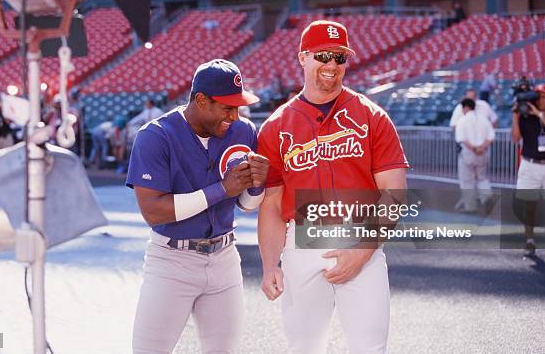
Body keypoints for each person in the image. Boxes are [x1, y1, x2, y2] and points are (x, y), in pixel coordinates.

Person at [256, 20, 409, 354]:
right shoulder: (275, 126)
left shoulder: (372, 116)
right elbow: (271, 203)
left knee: (370, 347)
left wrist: (362, 251)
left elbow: (394, 191)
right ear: (303, 57)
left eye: (340, 58)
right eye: (323, 56)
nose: (331, 66)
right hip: (303, 240)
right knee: (304, 348)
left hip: (361, 236)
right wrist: (270, 264)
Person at [126, 59, 270, 353]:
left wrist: (255, 184)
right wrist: (222, 189)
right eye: (227, 107)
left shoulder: (243, 131)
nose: (235, 115)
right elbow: (154, 211)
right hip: (171, 260)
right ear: (201, 100)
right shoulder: (155, 135)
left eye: (238, 107)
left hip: (225, 257)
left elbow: (246, 205)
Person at [511, 83, 545, 257]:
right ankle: (529, 241)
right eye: (538, 97)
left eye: (544, 97)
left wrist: (539, 114)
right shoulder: (525, 116)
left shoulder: (540, 115)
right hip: (530, 164)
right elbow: (516, 138)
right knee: (529, 206)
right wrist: (515, 117)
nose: (540, 100)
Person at [454, 98, 495, 212]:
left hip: (468, 153)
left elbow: (462, 139)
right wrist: (482, 147)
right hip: (483, 153)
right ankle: (487, 197)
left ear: (465, 108)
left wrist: (474, 148)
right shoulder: (483, 119)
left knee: (467, 181)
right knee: (482, 178)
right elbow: (491, 136)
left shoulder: (462, 121)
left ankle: (470, 207)